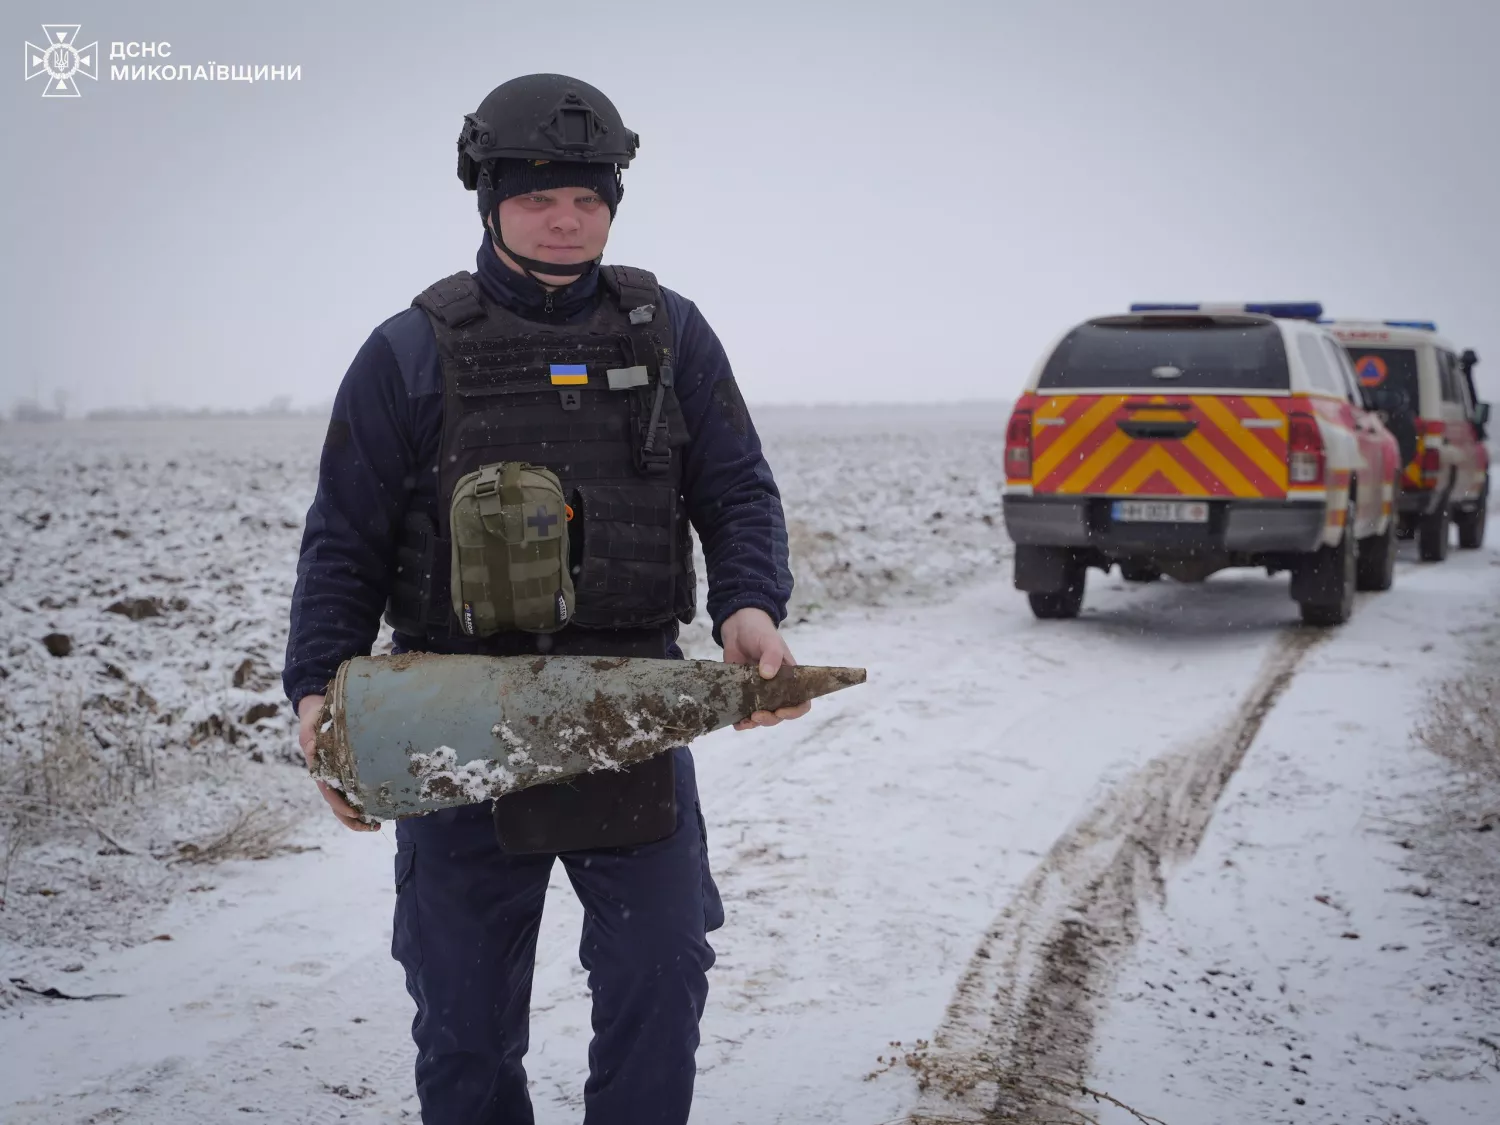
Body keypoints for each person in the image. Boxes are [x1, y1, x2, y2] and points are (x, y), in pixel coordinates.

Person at [281, 73, 808, 1125]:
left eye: (588, 199)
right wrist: (316, 694)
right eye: (538, 199)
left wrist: (748, 604)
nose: (567, 221)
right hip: (453, 714)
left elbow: (737, 489)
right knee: (466, 1015)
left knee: (661, 971)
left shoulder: (671, 333)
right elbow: (344, 540)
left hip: (629, 706)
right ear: (488, 201)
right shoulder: (409, 351)